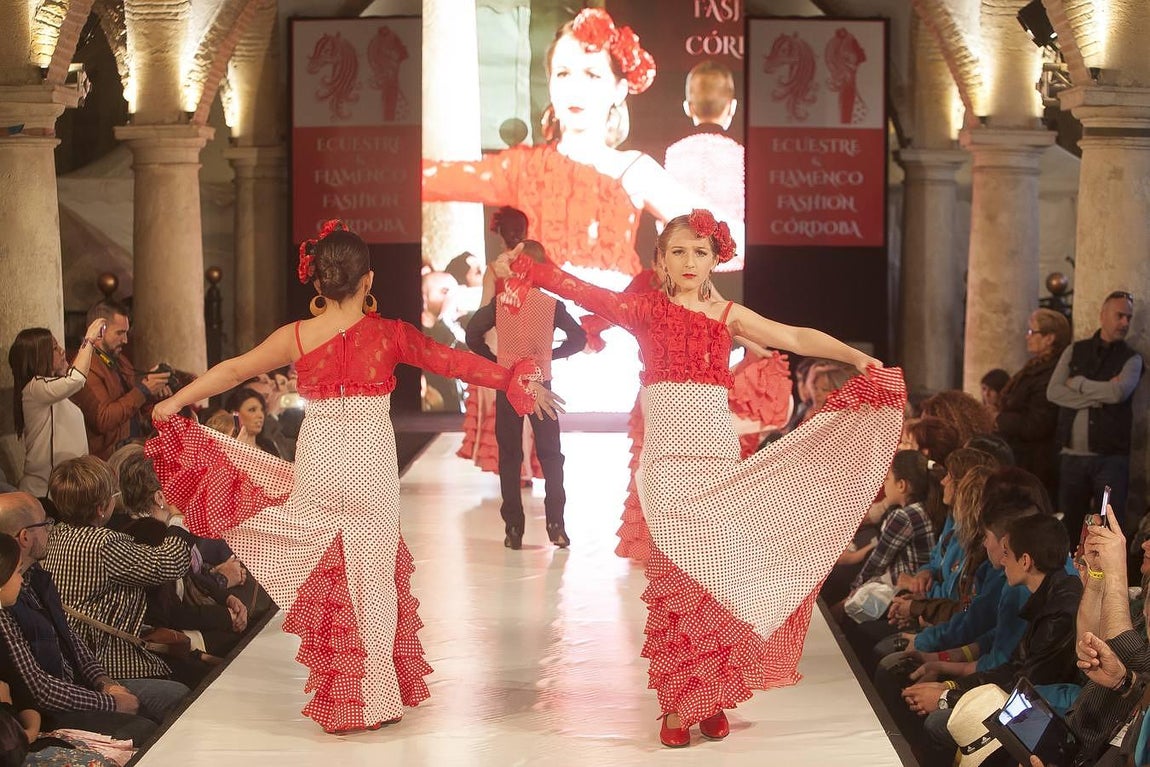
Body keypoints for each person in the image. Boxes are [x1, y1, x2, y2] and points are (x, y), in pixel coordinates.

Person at [493, 209, 905, 747]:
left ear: (716, 258)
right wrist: (524, 264)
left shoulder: (727, 314)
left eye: (701, 252)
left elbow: (793, 335)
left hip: (716, 463)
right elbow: (580, 288)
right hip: (665, 470)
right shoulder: (642, 309)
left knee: (720, 587)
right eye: (679, 251)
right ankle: (675, 706)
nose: (690, 262)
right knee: (675, 586)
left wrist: (854, 356)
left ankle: (708, 694)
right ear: (660, 259)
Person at [145, 220, 561, 734]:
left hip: (320, 453)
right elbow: (452, 362)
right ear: (367, 280)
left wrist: (174, 401)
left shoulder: (297, 334)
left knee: (324, 561)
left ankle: (347, 696)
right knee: (372, 572)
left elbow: (232, 370)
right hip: (368, 457)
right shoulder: (388, 333)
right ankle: (376, 697)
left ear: (318, 284)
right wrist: (513, 377)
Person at [424, 8, 742, 411]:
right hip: (539, 334)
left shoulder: (634, 170)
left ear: (618, 88)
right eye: (563, 73)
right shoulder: (522, 167)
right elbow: (431, 178)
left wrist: (674, 272)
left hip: (614, 335)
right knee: (544, 455)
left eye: (592, 75)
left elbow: (729, 243)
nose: (575, 89)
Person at [0, 493, 159, 745]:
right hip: (54, 712)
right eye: (45, 524)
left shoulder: (36, 578)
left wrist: (105, 683)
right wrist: (110, 702)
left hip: (78, 689)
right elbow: (39, 692)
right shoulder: (6, 605)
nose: (52, 530)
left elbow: (71, 640)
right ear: (25, 537)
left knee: (171, 699)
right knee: (148, 727)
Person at [42, 457, 192, 714]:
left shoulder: (54, 535)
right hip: (102, 661)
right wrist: (178, 519)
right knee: (184, 695)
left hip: (70, 655)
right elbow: (169, 563)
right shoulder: (103, 543)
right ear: (102, 508)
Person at [465, 240, 586, 549]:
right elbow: (579, 338)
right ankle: (556, 525)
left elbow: (472, 333)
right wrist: (551, 355)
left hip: (509, 385)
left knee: (510, 457)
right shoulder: (550, 304)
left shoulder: (503, 303)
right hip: (542, 385)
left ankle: (514, 529)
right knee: (551, 456)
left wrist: (494, 362)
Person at [1047, 290, 1142, 535]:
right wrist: (1099, 396)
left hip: (1110, 458)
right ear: (1102, 315)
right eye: (1120, 315)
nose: (1125, 323)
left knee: (1108, 528)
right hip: (1072, 456)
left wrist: (1078, 383)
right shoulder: (1075, 351)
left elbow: (1118, 393)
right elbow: (1054, 392)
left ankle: (1107, 575)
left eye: (1129, 318)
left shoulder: (1131, 359)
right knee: (1069, 527)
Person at [7, 319, 107, 497]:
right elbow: (75, 380)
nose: (62, 351)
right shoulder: (34, 388)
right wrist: (89, 340)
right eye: (54, 348)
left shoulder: (48, 390)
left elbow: (71, 380)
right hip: (45, 493)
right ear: (37, 357)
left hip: (66, 489)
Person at [664, 60, 744, 272]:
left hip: (685, 268)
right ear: (732, 106)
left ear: (688, 107)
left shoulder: (674, 153)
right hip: (733, 265)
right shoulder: (740, 154)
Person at [71, 301, 171, 460]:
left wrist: (154, 390)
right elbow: (103, 419)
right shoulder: (86, 367)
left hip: (132, 449)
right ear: (99, 331)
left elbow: (132, 402)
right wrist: (143, 390)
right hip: (108, 459)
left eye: (126, 333)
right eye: (119, 333)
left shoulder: (119, 359)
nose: (125, 340)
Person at [993, 309, 1071, 503]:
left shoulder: (1051, 373)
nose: (1027, 337)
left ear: (1049, 338)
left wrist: (998, 418)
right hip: (1021, 453)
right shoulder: (1035, 367)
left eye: (1031, 332)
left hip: (1036, 461)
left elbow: (1037, 424)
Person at [224, 387, 282, 458]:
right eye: (252, 410)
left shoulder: (269, 446)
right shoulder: (225, 448)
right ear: (234, 414)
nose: (260, 415)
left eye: (262, 410)